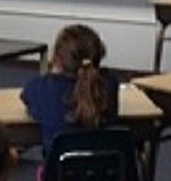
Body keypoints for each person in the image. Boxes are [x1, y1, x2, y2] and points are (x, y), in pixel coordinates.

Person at [21, 24, 119, 168]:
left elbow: (26, 96)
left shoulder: (41, 87)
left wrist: (52, 75)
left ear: (57, 60)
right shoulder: (110, 82)